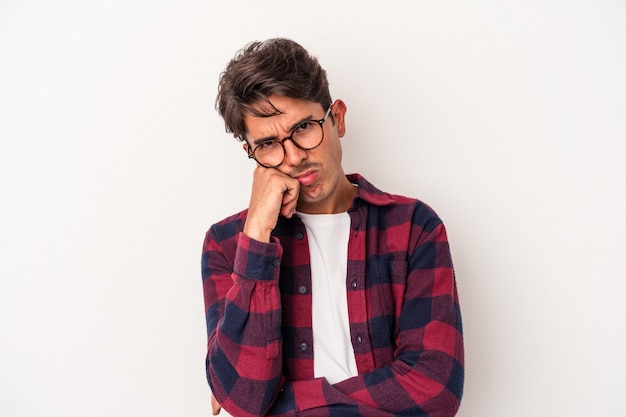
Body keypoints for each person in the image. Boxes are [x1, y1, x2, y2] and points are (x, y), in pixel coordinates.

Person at [201, 38, 464, 417]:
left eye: (304, 127)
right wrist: (257, 232)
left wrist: (282, 406)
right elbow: (245, 395)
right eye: (270, 144)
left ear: (337, 117)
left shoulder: (412, 228)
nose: (293, 157)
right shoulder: (228, 246)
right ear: (252, 155)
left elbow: (434, 392)